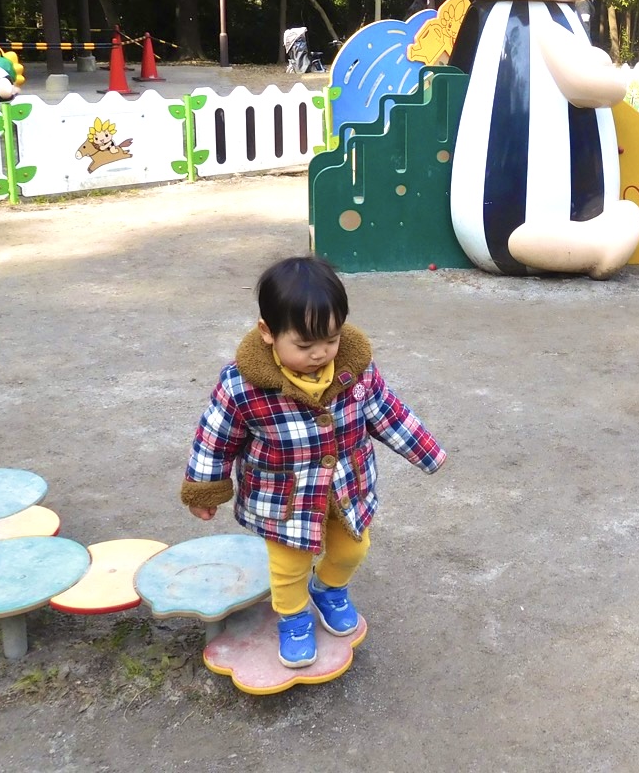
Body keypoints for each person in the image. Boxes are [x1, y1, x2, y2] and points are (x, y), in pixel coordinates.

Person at [180, 256, 446, 668]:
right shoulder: (242, 386)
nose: (321, 353)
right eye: (304, 346)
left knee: (354, 548)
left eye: (331, 339)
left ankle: (329, 589)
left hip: (346, 485)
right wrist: (205, 488)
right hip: (284, 499)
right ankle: (294, 617)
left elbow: (386, 411)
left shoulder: (355, 372)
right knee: (289, 564)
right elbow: (216, 437)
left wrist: (425, 451)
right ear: (267, 332)